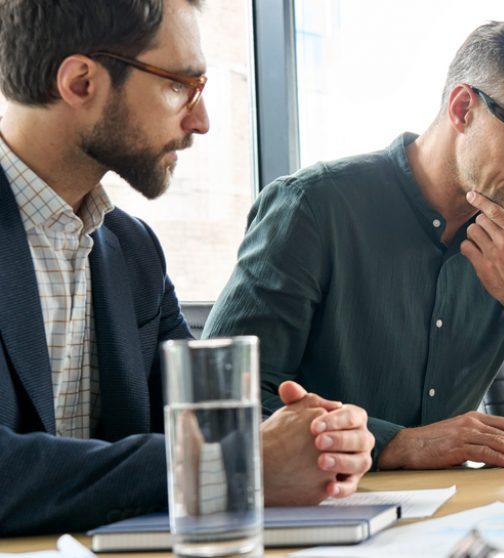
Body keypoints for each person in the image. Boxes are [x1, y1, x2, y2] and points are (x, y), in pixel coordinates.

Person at [0, 0, 372, 536]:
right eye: (180, 85)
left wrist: (317, 442)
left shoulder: (133, 252)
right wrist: (244, 464)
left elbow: (203, 427)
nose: (201, 122)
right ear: (81, 82)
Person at [204, 16, 504, 470]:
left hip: (457, 520)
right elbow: (219, 399)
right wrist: (398, 443)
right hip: (323, 518)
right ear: (464, 109)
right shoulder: (312, 209)